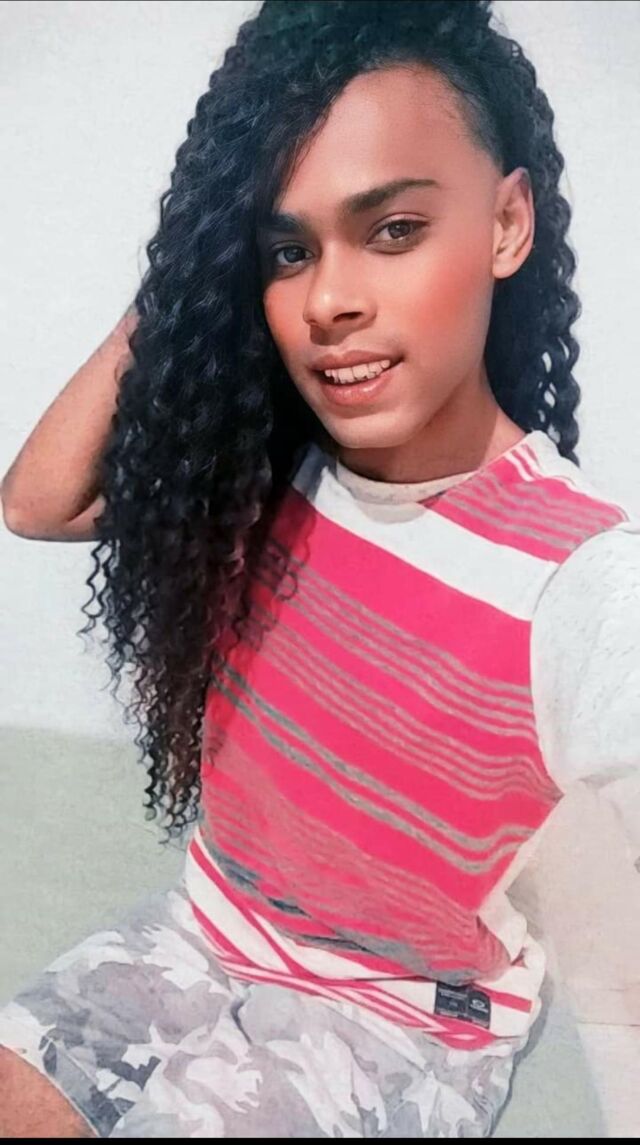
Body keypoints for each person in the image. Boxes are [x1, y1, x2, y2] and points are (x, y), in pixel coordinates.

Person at [1, 0, 639, 1137]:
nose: (331, 300)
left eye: (392, 229)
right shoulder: (267, 467)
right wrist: (189, 272)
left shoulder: (583, 580)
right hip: (199, 933)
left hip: (396, 1019)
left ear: (506, 224)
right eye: (288, 249)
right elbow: (35, 503)